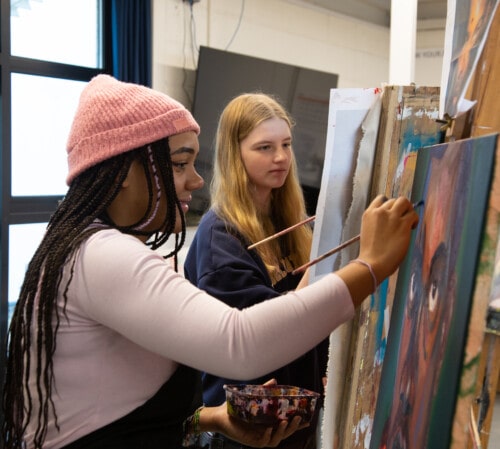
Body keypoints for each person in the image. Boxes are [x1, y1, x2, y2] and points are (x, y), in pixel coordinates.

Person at [1, 75, 418, 449]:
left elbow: (111, 403)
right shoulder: (101, 255)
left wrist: (210, 418)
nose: (196, 180)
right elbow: (239, 342)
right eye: (180, 164)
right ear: (124, 170)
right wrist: (371, 265)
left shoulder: (90, 249)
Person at [183, 92, 327, 449]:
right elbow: (266, 332)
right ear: (235, 154)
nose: (281, 158)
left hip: (292, 422)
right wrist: (325, 269)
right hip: (242, 430)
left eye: (286, 144)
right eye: (264, 148)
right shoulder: (221, 236)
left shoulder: (287, 221)